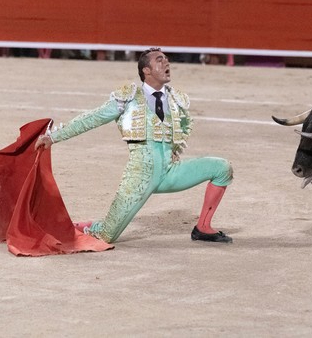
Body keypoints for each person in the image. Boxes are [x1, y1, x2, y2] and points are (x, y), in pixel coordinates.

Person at [34, 48, 234, 244]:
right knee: (106, 235)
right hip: (139, 177)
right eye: (159, 60)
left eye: (166, 59)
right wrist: (53, 137)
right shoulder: (128, 97)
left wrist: (174, 150)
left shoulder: (176, 99)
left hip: (169, 173)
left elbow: (183, 127)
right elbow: (92, 119)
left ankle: (203, 228)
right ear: (146, 70)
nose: (166, 63)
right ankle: (71, 226)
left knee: (221, 168)